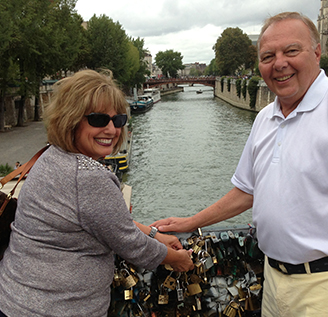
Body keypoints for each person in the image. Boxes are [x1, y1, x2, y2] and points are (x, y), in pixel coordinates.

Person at [151, 12, 328, 317]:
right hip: (274, 282)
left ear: (317, 52)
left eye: (291, 51)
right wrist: (190, 222)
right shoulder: (266, 118)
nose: (279, 63)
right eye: (268, 56)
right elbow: (247, 191)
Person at [0, 69, 194, 317]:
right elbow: (131, 245)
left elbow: (103, 220)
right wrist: (177, 259)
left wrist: (154, 233)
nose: (112, 130)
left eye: (119, 120)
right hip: (56, 308)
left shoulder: (50, 156)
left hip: (14, 298)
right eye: (99, 120)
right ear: (71, 119)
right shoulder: (89, 177)